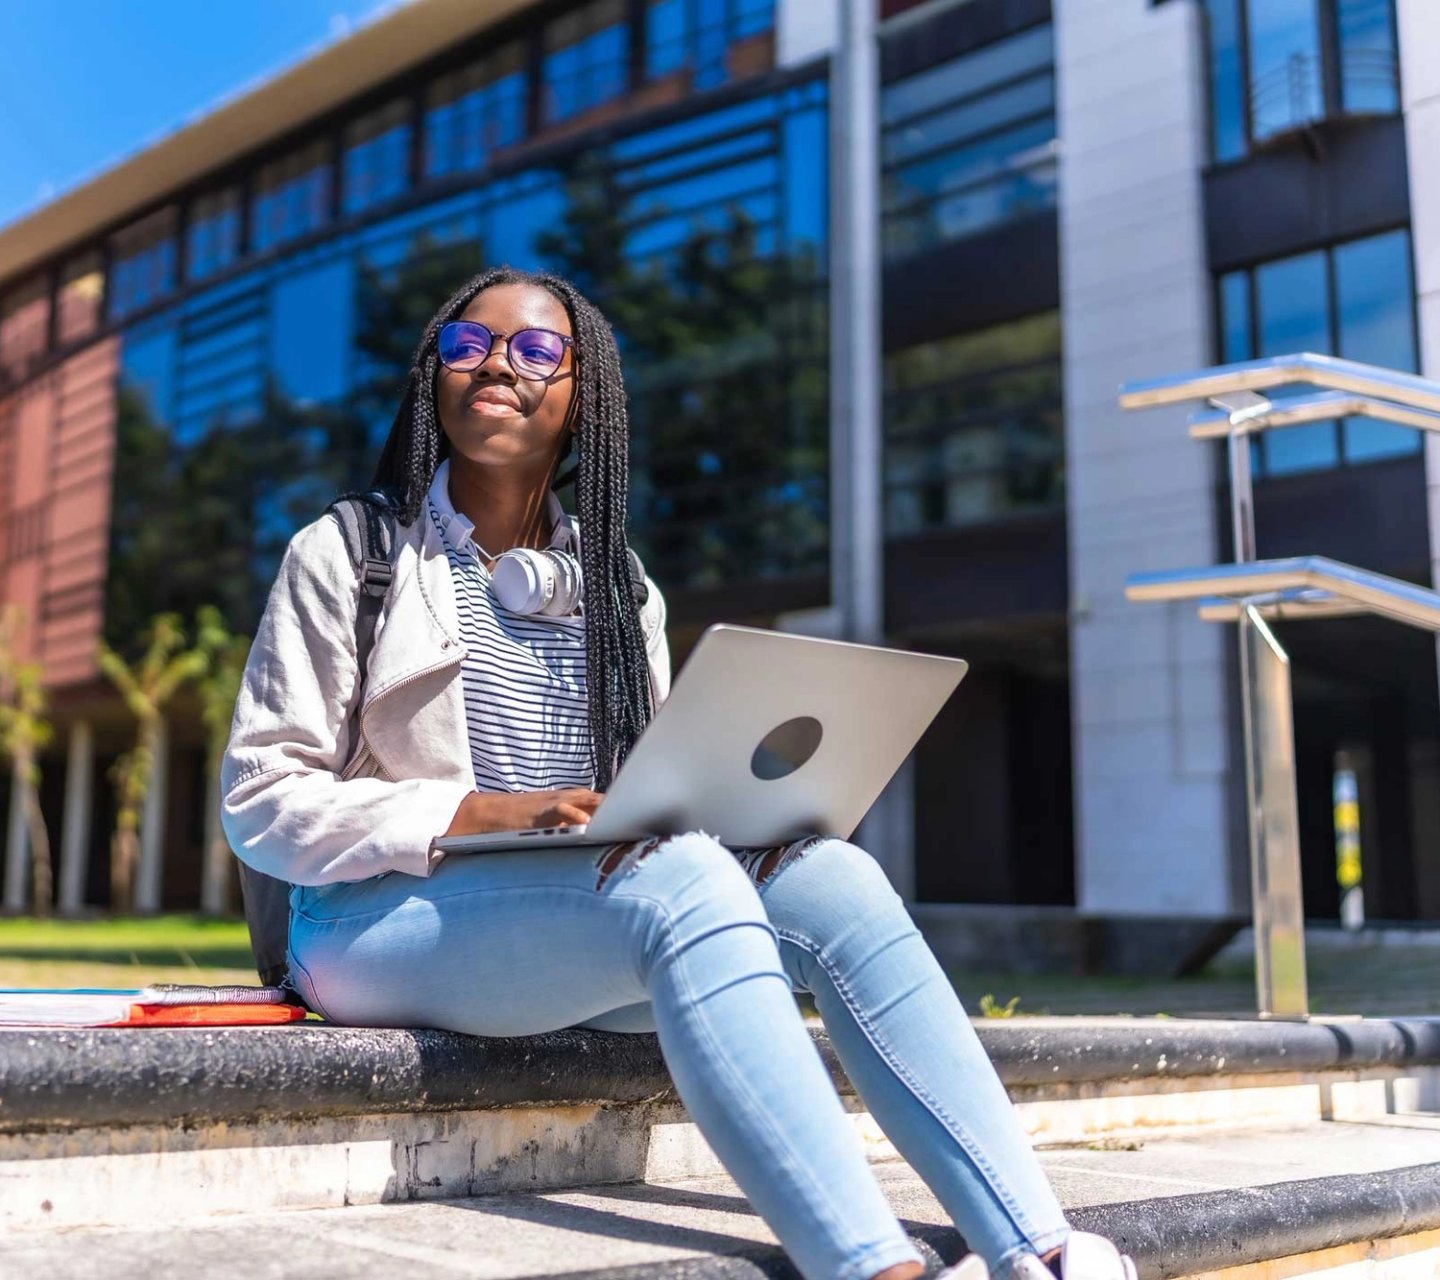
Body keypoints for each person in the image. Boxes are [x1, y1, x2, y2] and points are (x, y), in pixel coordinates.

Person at [221, 266, 1135, 1280]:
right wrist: (481, 812)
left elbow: (654, 796)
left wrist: (741, 824)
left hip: (568, 931)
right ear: (433, 373)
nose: (494, 365)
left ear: (583, 397)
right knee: (689, 882)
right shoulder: (349, 553)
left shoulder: (620, 588)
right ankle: (872, 1265)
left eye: (534, 350)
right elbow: (262, 802)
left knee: (830, 875)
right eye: (466, 344)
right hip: (372, 924)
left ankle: (1039, 1247)